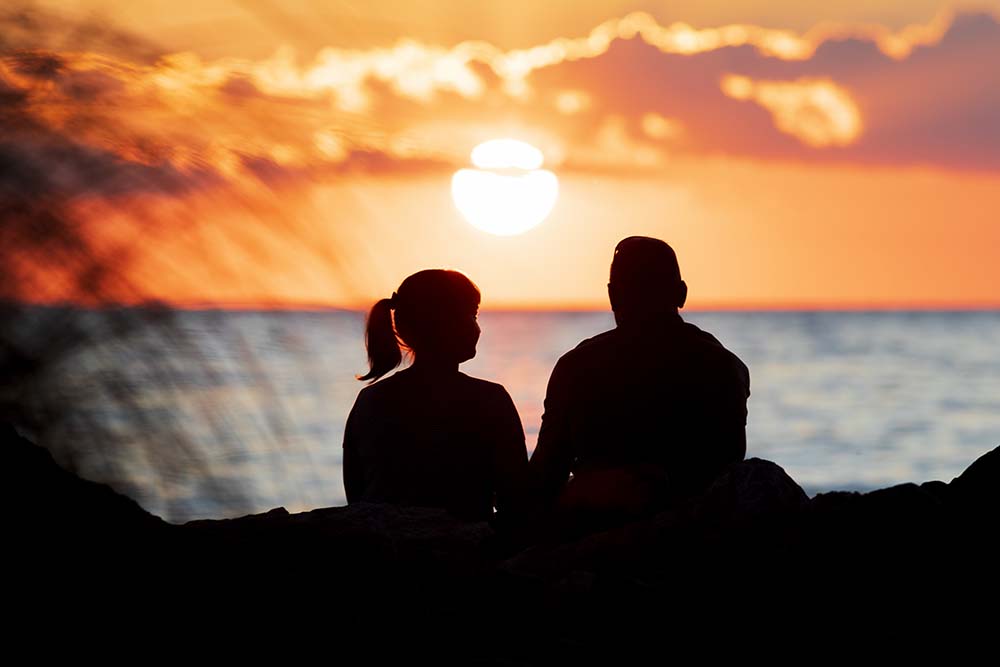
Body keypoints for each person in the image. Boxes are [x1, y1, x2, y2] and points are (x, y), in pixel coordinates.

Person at [530, 236, 750, 520]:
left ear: (613, 295)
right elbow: (731, 466)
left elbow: (546, 475)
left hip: (601, 533)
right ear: (681, 293)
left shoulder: (577, 367)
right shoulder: (725, 366)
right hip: (699, 533)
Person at [343, 269, 529, 522]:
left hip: (385, 551)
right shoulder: (489, 400)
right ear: (445, 323)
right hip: (461, 551)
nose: (478, 328)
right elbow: (516, 499)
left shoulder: (370, 400)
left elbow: (357, 496)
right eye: (472, 315)